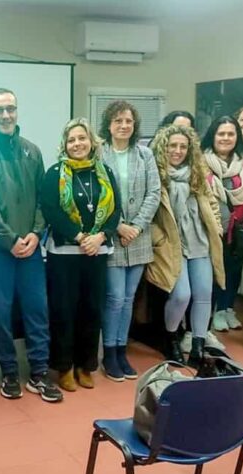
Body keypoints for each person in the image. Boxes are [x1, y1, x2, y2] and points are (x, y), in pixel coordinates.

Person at [0, 88, 61, 403]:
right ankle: (8, 371)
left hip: (31, 249)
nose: (5, 115)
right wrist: (9, 240)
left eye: (10, 109)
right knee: (1, 311)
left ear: (17, 111)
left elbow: (41, 199)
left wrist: (36, 233)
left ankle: (39, 372)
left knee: (37, 310)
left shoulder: (32, 151)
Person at [41, 118, 122, 390]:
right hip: (64, 253)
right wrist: (79, 236)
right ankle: (63, 367)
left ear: (92, 142)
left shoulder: (106, 172)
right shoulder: (55, 173)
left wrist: (101, 236)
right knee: (64, 310)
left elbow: (115, 211)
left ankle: (85, 366)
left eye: (82, 138)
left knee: (92, 309)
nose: (77, 144)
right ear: (65, 144)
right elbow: (51, 210)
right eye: (72, 140)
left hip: (96, 252)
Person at [146, 124, 225, 365]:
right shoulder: (155, 174)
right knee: (181, 295)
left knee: (203, 294)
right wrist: (158, 238)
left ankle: (198, 346)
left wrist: (217, 227)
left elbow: (212, 204)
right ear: (163, 147)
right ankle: (171, 339)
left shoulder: (197, 172)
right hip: (171, 243)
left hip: (199, 241)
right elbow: (147, 211)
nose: (178, 151)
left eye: (183, 146)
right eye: (173, 146)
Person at [97, 100, 160, 381]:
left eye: (129, 121)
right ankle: (109, 352)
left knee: (129, 299)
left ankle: (123, 350)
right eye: (118, 121)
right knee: (114, 298)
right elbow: (97, 197)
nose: (124, 125)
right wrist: (118, 226)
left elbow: (154, 193)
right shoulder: (99, 154)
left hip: (139, 237)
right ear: (108, 125)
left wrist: (135, 226)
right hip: (111, 237)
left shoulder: (145, 155)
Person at [201, 116, 243, 334]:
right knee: (213, 275)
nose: (226, 138)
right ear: (213, 136)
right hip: (209, 232)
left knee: (233, 272)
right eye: (221, 134)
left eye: (230, 134)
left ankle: (225, 309)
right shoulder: (201, 162)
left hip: (238, 231)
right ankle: (211, 312)